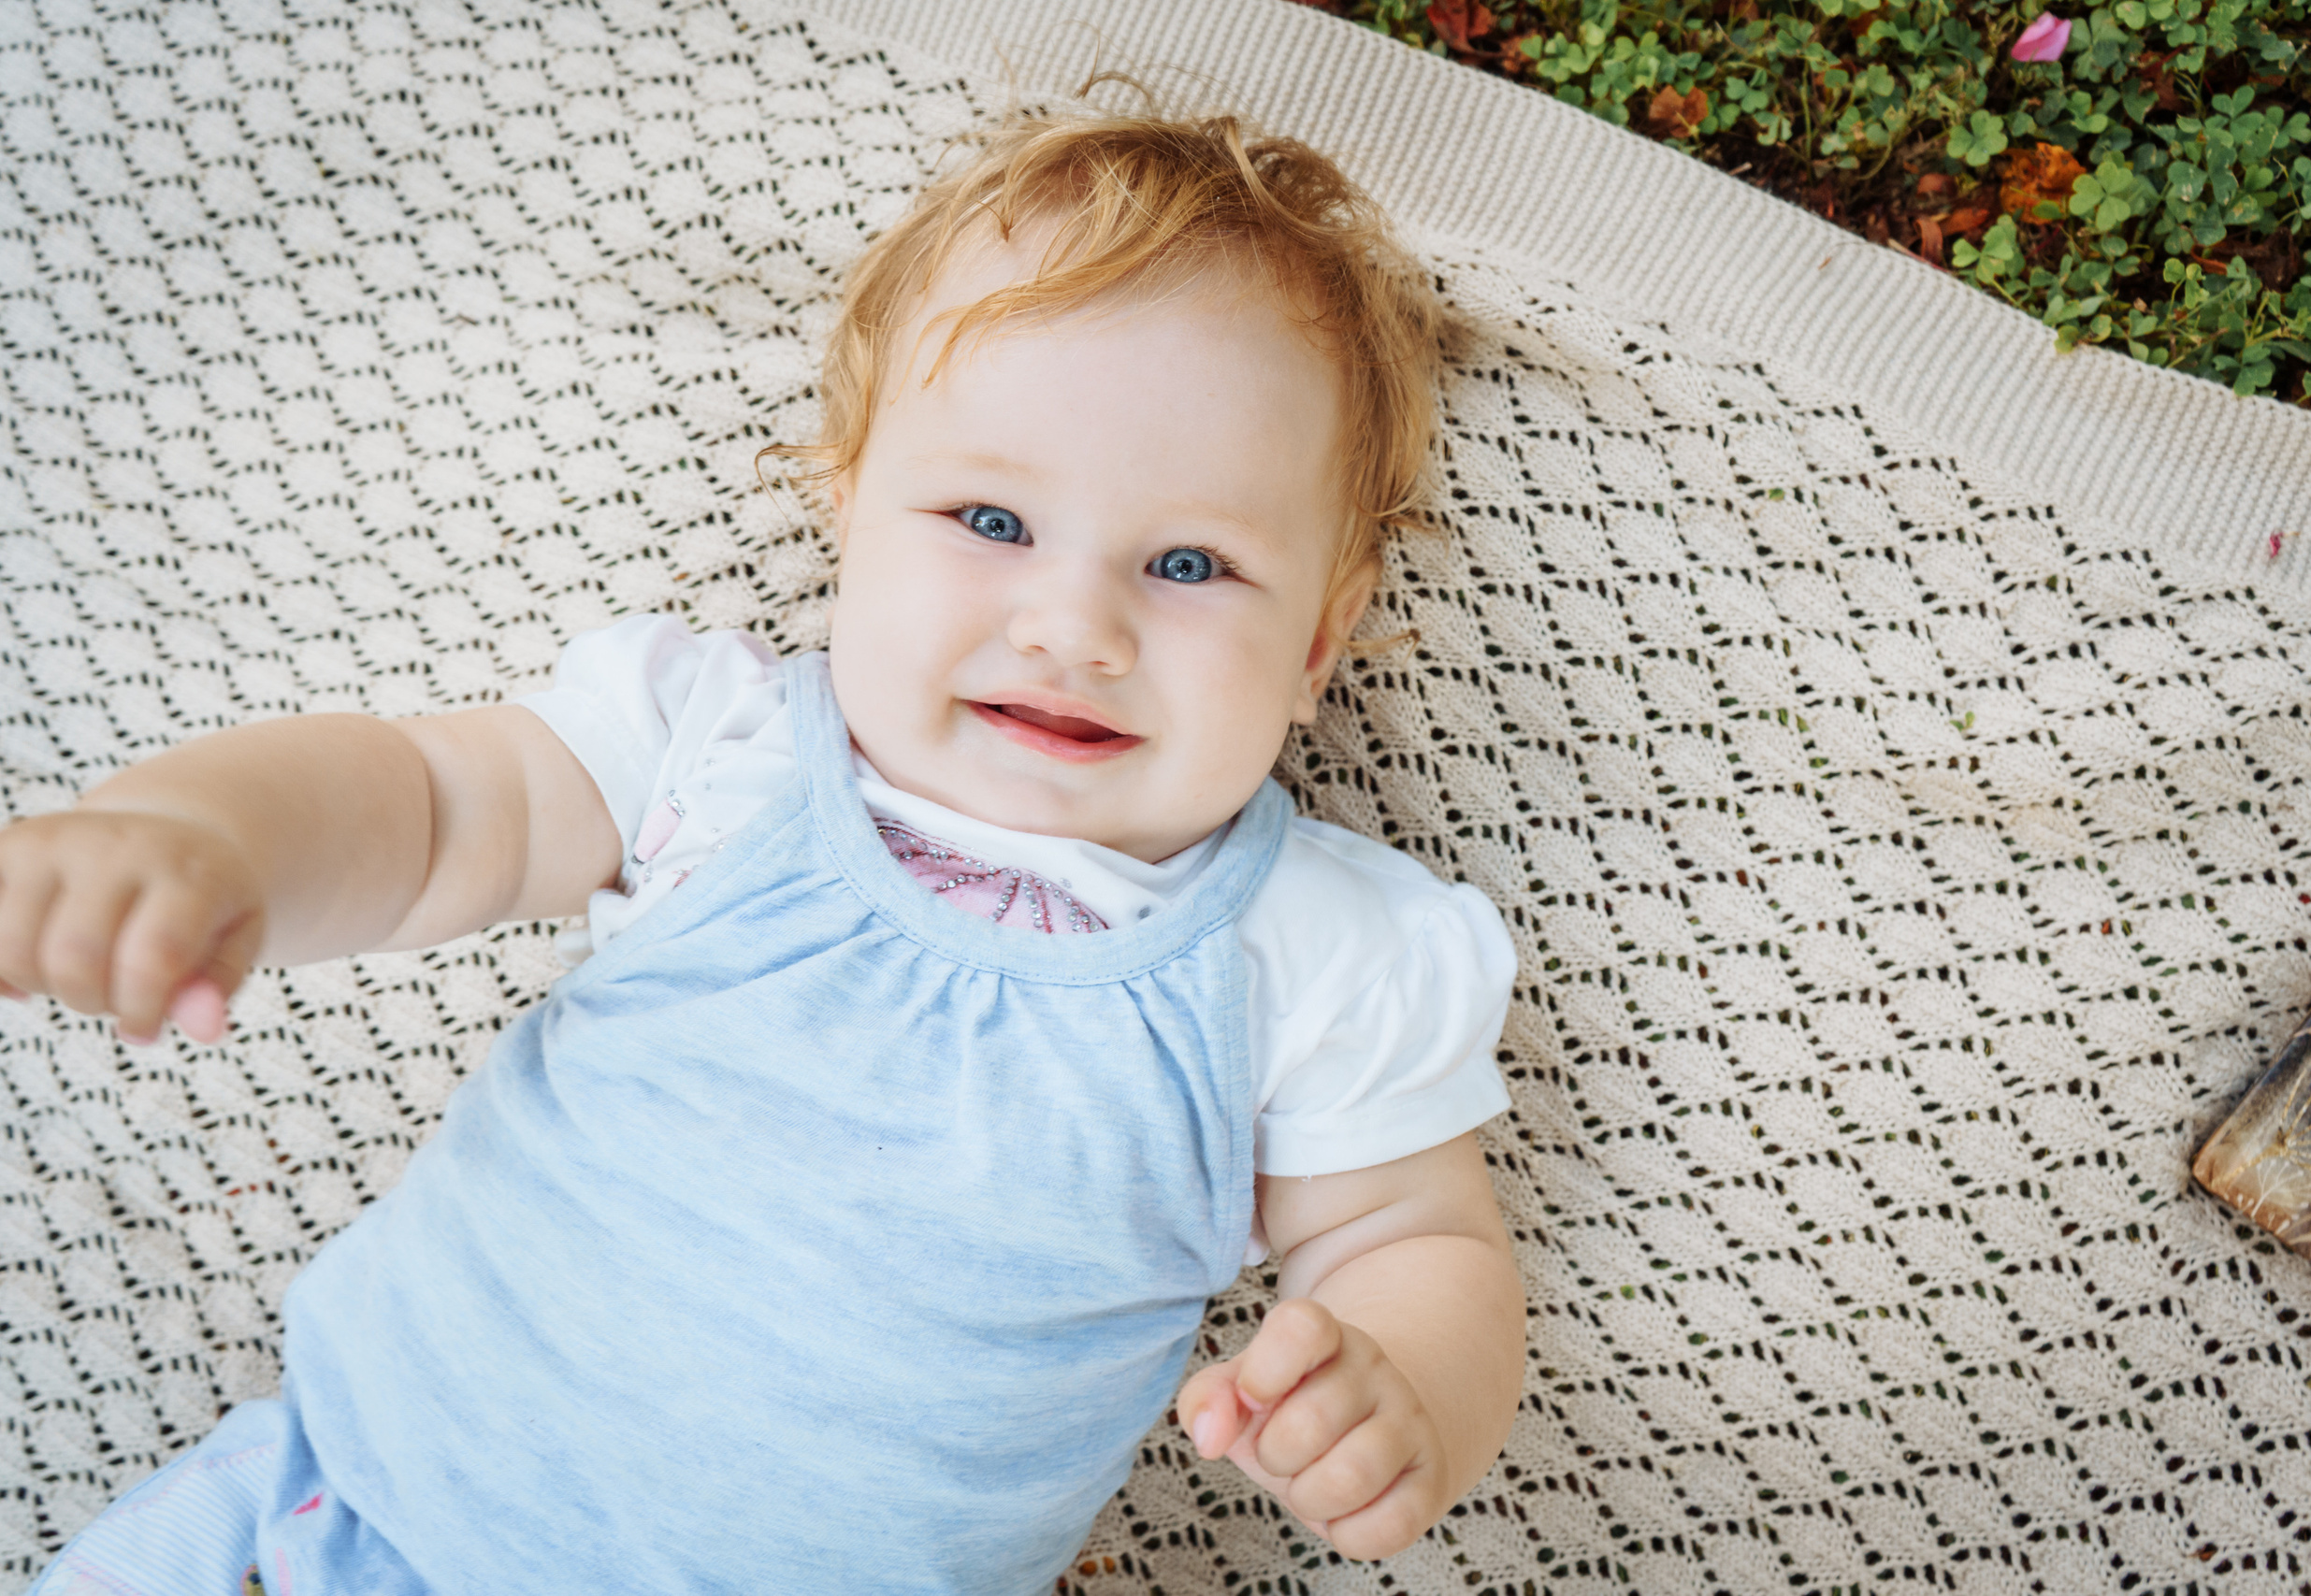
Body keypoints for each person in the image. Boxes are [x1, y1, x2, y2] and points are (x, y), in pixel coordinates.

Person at [9, 108, 1526, 1594]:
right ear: (846, 511)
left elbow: (1414, 1236)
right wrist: (205, 833)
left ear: (1321, 637)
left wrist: (1397, 1393)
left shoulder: (1317, 960)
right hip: (347, 1518)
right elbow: (426, 807)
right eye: (991, 518)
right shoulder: (716, 756)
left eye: (1189, 564)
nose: (1075, 628)